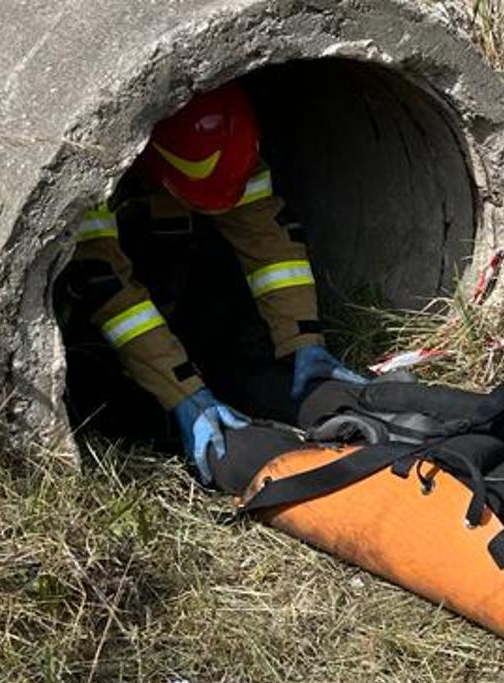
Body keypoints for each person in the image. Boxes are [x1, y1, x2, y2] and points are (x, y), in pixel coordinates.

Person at [56, 80, 364, 486]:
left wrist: (304, 340)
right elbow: (113, 298)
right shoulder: (89, 179)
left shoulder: (230, 152)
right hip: (101, 316)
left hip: (175, 260)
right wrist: (185, 396)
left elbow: (270, 246)